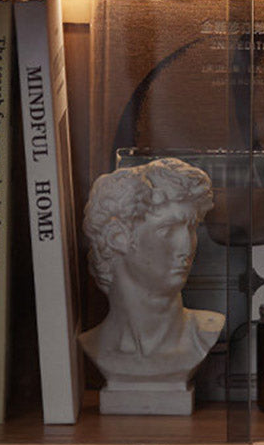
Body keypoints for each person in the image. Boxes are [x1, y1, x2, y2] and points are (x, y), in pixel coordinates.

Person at [79, 157, 224, 413]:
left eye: (191, 229)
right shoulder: (94, 345)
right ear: (118, 238)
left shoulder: (204, 335)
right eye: (167, 230)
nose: (186, 248)